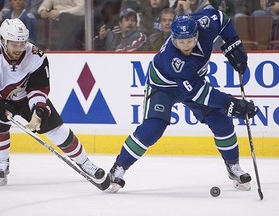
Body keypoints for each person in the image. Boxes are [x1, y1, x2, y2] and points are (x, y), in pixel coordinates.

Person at [107, 9, 258, 193]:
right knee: (153, 127)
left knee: (222, 122)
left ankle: (234, 167)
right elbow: (200, 93)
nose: (185, 46)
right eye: (181, 41)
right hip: (163, 87)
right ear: (173, 38)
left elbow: (221, 19)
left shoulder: (205, 22)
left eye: (189, 41)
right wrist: (232, 104)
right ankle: (119, 167)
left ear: (197, 35)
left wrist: (234, 44)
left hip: (194, 83)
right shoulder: (174, 59)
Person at [0, 18, 108, 186]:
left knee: (56, 129)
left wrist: (38, 111)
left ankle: (85, 162)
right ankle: (2, 163)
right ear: (3, 41)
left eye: (22, 43)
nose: (19, 48)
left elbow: (38, 88)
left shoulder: (36, 56)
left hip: (26, 97)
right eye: (14, 44)